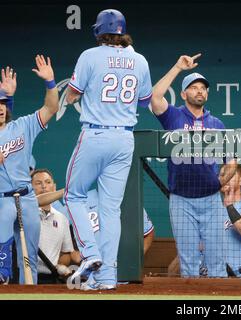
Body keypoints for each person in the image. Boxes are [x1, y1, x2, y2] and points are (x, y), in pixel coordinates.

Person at [64, 9, 152, 290]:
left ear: (99, 31)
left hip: (96, 133)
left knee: (73, 195)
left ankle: (90, 253)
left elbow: (72, 94)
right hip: (124, 139)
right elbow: (143, 101)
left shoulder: (90, 55)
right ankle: (108, 278)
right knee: (110, 210)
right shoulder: (139, 60)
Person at [150, 54, 237, 277]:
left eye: (203, 88)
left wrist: (220, 181)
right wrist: (178, 67)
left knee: (217, 259)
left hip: (210, 199)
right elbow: (155, 97)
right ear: (183, 93)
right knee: (188, 261)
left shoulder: (216, 124)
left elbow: (231, 161)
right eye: (194, 87)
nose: (199, 91)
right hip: (181, 199)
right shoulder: (173, 116)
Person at [0, 56, 58, 285]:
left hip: (26, 199)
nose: (0, 109)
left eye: (3, 104)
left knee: (29, 259)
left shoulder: (23, 125)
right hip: (2, 200)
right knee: (2, 264)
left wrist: (51, 82)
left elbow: (51, 107)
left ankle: (29, 294)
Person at [31, 169, 79, 284]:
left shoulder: (62, 219)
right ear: (30, 188)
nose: (43, 186)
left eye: (48, 182)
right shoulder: (23, 213)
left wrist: (60, 265)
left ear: (54, 187)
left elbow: (66, 254)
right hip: (24, 275)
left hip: (50, 279)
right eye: (38, 183)